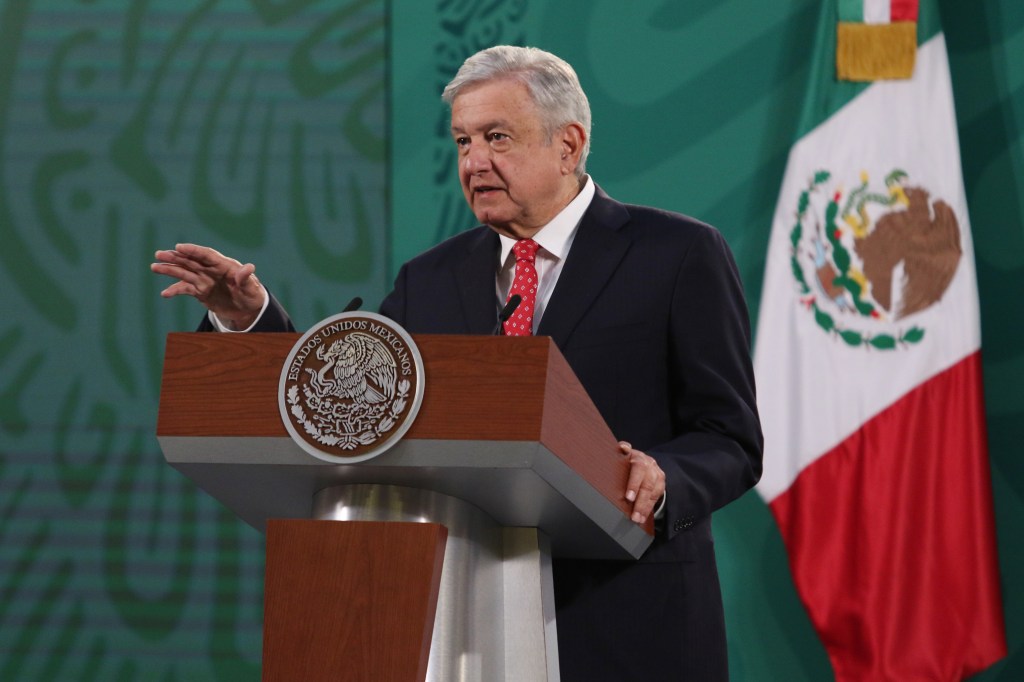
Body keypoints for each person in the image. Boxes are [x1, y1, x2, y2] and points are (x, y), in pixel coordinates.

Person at [152, 45, 762, 681]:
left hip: (626, 620)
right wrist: (249, 319)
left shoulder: (677, 254)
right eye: (463, 141)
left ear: (569, 145)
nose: (474, 162)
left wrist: (664, 480)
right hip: (457, 627)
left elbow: (731, 438)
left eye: (498, 137)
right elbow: (352, 407)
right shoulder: (431, 278)